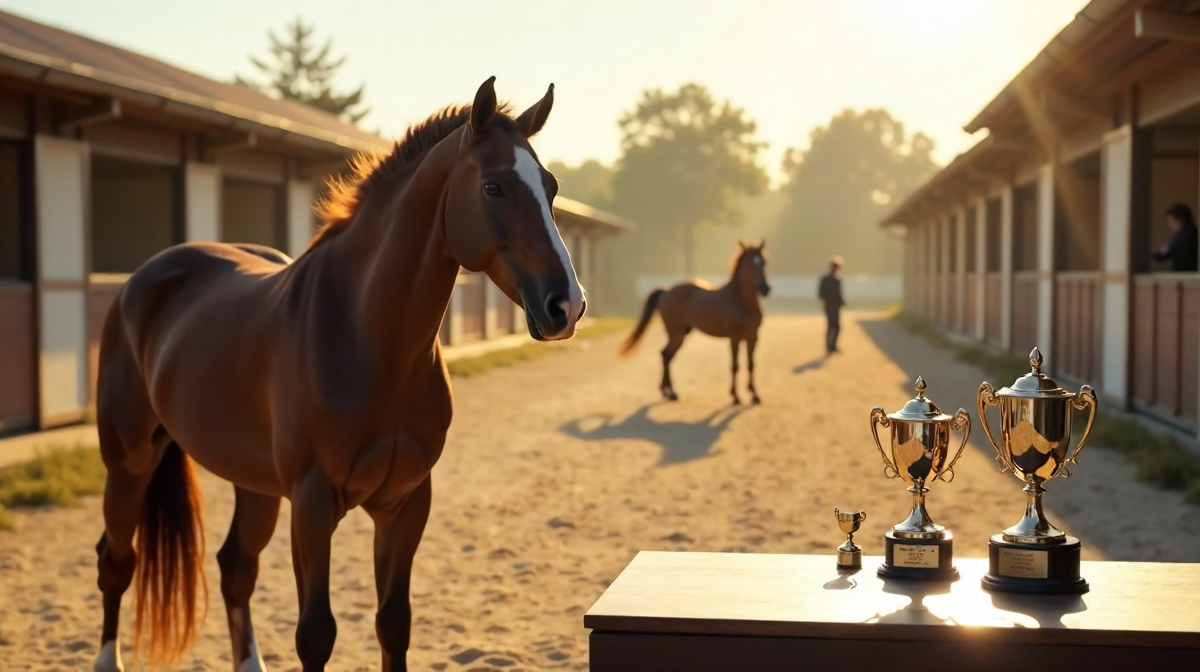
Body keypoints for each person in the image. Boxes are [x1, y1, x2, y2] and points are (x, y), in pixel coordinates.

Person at [1154, 204, 1198, 272]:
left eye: (1171, 221)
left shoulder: (1180, 239)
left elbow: (1161, 256)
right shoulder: (1195, 233)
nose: (1170, 225)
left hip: (1183, 276)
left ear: (1177, 220)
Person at [819, 255, 846, 354]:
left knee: (835, 326)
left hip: (834, 305)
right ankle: (829, 346)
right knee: (831, 326)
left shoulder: (836, 278)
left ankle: (832, 345)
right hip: (830, 305)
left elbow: (839, 293)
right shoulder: (829, 278)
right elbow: (822, 293)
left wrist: (841, 301)